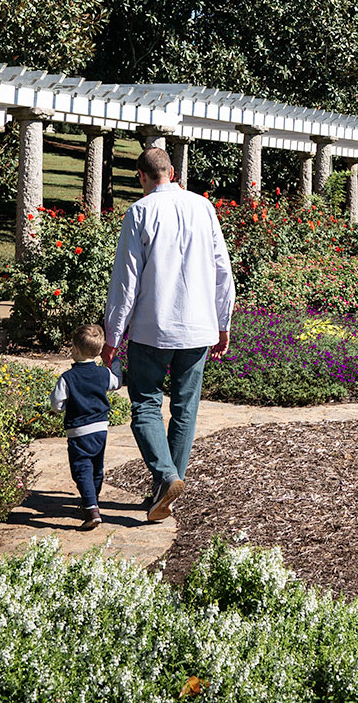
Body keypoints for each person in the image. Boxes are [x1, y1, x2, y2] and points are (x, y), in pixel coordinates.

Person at [104, 145, 234, 523]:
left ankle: (165, 478)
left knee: (145, 403)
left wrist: (113, 337)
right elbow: (222, 271)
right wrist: (222, 323)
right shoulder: (203, 207)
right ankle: (166, 494)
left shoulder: (139, 212)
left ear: (141, 176)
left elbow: (125, 282)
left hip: (151, 328)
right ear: (173, 172)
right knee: (185, 409)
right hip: (198, 328)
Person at [50, 322, 123, 531]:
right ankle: (92, 498)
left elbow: (57, 404)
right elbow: (116, 382)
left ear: (75, 349)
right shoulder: (103, 374)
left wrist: (59, 408)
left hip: (78, 430)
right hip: (101, 429)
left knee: (81, 468)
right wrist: (114, 361)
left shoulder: (68, 378)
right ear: (99, 351)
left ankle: (91, 508)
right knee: (96, 466)